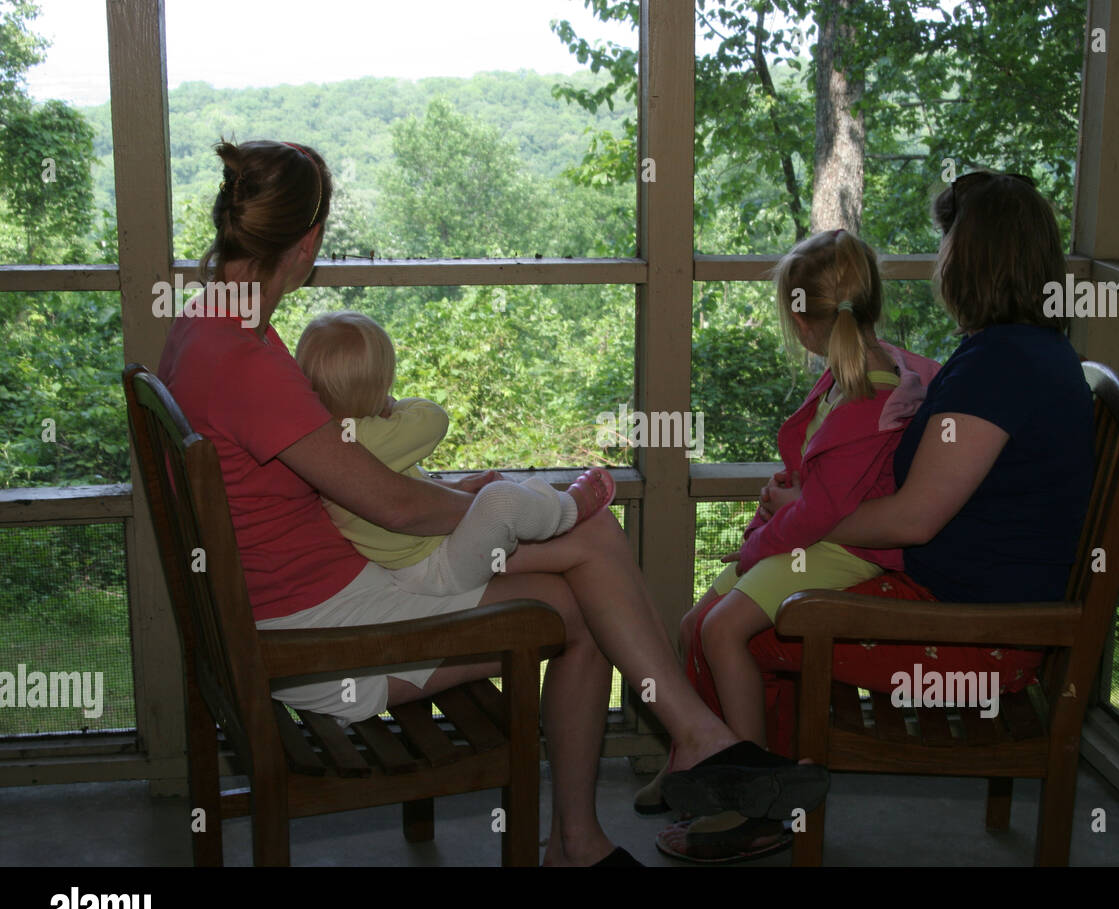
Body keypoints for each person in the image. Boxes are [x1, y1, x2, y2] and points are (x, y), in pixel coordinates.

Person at [156, 139, 828, 867]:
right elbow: (395, 507)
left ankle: (655, 775)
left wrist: (485, 499)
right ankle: (639, 787)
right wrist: (494, 505)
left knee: (582, 568)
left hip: (301, 603)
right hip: (322, 639)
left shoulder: (205, 326)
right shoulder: (247, 359)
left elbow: (352, 483)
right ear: (309, 239)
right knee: (584, 569)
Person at [657, 172, 1094, 862]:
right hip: (967, 600)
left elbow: (913, 520)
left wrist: (806, 514)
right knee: (717, 616)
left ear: (972, 257)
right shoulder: (1018, 354)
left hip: (973, 633)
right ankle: (733, 773)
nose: (941, 256)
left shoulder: (1000, 370)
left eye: (949, 240)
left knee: (729, 633)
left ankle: (759, 805)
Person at [681, 231, 939, 749]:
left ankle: (748, 779)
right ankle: (695, 752)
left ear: (800, 324)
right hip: (816, 538)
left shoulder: (867, 402)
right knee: (692, 625)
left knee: (721, 631)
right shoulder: (853, 374)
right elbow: (823, 485)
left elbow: (822, 514)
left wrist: (758, 545)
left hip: (844, 549)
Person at [294, 310, 615, 597]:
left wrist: (457, 489)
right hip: (437, 569)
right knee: (500, 500)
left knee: (497, 495)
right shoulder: (364, 436)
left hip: (421, 560)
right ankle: (568, 509)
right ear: (380, 386)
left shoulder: (326, 440)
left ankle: (538, 507)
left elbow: (399, 485)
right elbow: (434, 417)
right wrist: (394, 405)